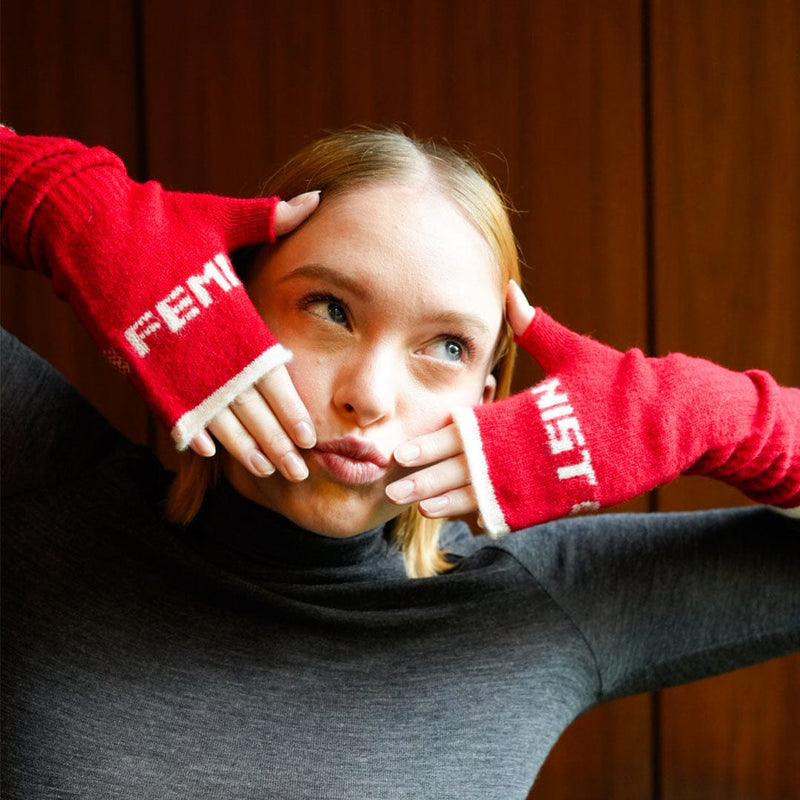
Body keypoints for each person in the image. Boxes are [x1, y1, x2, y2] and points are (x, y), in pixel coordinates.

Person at [1, 125, 798, 800]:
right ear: (222, 303)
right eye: (331, 310)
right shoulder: (42, 480)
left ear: (487, 400)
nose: (371, 395)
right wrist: (69, 208)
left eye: (445, 348)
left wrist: (693, 413)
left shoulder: (539, 603)